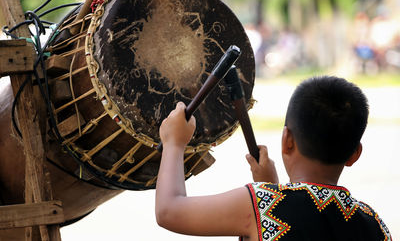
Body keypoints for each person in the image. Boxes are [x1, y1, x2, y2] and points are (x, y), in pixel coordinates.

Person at [155, 76, 392, 241]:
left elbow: (169, 211)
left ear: (287, 140)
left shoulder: (261, 204)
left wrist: (174, 143)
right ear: (355, 154)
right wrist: (275, 189)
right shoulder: (375, 224)